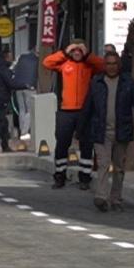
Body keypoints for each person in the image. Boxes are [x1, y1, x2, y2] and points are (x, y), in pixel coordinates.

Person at [87, 51, 134, 212]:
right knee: (103, 164)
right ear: (104, 65)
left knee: (119, 167)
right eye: (108, 64)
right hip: (101, 131)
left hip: (122, 131)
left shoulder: (127, 82)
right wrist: (81, 130)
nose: (111, 67)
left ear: (119, 65)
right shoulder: (97, 82)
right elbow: (88, 107)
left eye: (114, 63)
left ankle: (116, 198)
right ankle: (101, 196)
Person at [43, 41, 105, 190]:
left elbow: (102, 65)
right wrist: (65, 52)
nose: (77, 53)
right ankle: (59, 176)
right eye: (74, 50)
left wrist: (88, 54)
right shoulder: (64, 64)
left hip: (85, 111)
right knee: (62, 144)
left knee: (86, 144)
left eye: (80, 50)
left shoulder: (89, 66)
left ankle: (85, 178)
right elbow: (47, 62)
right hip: (66, 110)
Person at [0, 49, 29, 153]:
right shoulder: (4, 70)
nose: (11, 59)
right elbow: (11, 83)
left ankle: (5, 146)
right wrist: (25, 86)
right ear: (5, 58)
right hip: (1, 99)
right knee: (0, 122)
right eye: (9, 57)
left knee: (3, 122)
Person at [12, 48, 39, 138]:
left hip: (18, 87)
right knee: (30, 110)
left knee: (22, 109)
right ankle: (24, 132)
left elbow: (12, 69)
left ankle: (22, 130)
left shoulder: (20, 57)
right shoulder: (37, 60)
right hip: (30, 87)